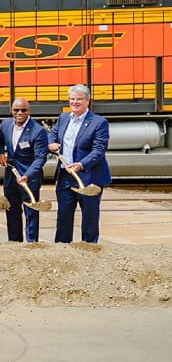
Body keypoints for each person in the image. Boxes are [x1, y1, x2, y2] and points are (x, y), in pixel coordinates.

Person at [48, 84, 111, 243]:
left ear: (87, 101)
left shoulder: (99, 122)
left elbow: (99, 150)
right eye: (72, 99)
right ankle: (62, 248)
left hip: (88, 176)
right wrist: (51, 144)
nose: (75, 102)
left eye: (79, 99)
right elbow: (52, 134)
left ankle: (89, 248)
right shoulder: (63, 118)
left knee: (90, 215)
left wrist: (81, 164)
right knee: (63, 214)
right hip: (65, 175)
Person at [0, 98, 48, 242]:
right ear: (11, 110)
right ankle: (14, 242)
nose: (19, 113)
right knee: (11, 210)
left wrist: (27, 175)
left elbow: (40, 158)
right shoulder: (5, 125)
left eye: (23, 110)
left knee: (31, 210)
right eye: (16, 110)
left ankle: (32, 244)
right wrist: (0, 153)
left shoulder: (38, 131)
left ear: (29, 111)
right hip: (10, 177)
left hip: (29, 178)